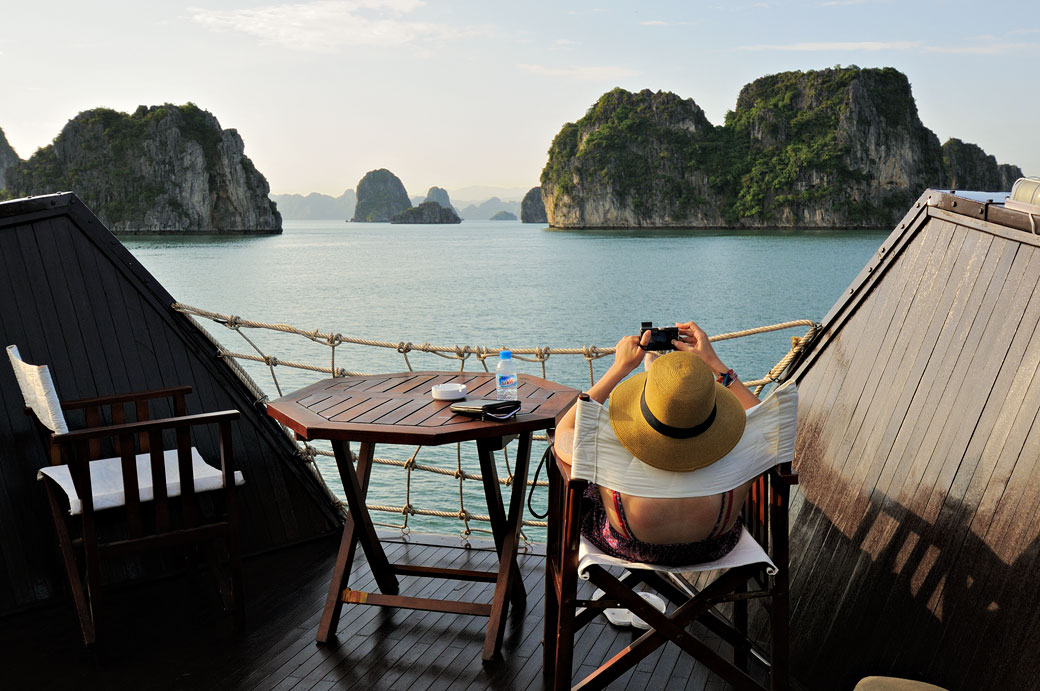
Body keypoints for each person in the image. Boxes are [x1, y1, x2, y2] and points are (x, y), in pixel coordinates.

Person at [554, 320, 762, 566]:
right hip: (715, 544)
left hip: (628, 543)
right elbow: (770, 421)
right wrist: (716, 365)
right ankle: (654, 369)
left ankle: (651, 372)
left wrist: (619, 368)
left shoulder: (609, 446)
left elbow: (564, 432)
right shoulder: (745, 441)